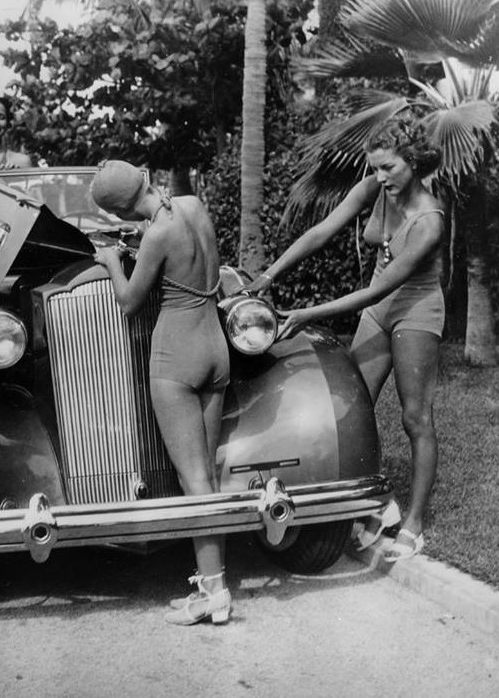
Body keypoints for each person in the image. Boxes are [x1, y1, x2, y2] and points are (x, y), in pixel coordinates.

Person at [249, 115, 445, 562]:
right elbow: (321, 232)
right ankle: (381, 505)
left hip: (415, 309)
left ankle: (413, 522)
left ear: (413, 162)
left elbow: (378, 289)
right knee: (350, 409)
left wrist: (304, 314)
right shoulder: (375, 189)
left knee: (416, 418)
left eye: (388, 168)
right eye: (375, 168)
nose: (380, 177)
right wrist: (270, 274)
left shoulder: (430, 219)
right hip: (380, 309)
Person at [91, 160, 231, 625]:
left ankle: (214, 593)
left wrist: (113, 260)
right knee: (206, 475)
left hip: (177, 356)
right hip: (216, 348)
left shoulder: (153, 236)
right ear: (146, 179)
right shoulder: (192, 205)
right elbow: (188, 256)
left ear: (119, 213)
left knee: (193, 480)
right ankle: (212, 582)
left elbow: (130, 302)